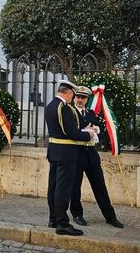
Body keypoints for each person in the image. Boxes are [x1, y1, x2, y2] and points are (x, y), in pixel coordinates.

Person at [45, 80, 97, 236]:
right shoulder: (64, 108)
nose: (72, 98)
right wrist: (89, 134)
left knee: (53, 187)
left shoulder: (50, 106)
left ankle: (53, 218)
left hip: (54, 151)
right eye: (72, 95)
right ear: (68, 93)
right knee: (62, 190)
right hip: (66, 154)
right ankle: (62, 223)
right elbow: (72, 133)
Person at [69, 86, 124, 229]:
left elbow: (98, 129)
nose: (79, 100)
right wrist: (88, 130)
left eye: (83, 98)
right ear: (74, 97)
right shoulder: (70, 112)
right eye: (77, 97)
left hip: (91, 155)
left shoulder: (91, 113)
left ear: (87, 99)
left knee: (100, 186)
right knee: (75, 187)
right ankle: (77, 214)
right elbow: (74, 132)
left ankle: (110, 216)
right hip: (76, 154)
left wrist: (92, 130)